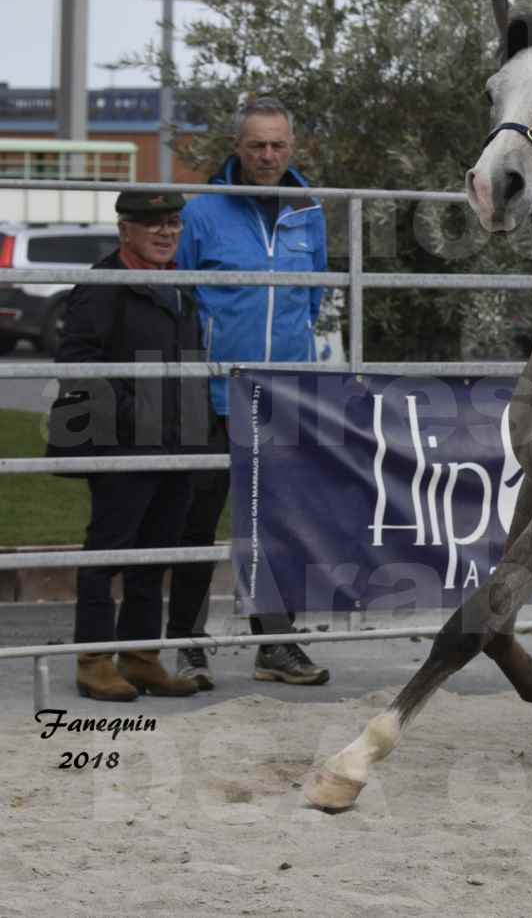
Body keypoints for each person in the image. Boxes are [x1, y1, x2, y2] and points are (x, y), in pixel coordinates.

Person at [171, 96, 331, 687]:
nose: (267, 156)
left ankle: (275, 644)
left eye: (278, 145)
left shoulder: (308, 209)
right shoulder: (204, 211)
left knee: (275, 524)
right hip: (215, 392)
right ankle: (186, 643)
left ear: (292, 147)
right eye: (257, 145)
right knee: (198, 521)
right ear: (237, 146)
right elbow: (181, 297)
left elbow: (312, 296)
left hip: (282, 392)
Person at [55, 191, 207, 701]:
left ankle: (142, 656)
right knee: (107, 552)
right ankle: (93, 660)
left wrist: (191, 422)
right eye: (152, 225)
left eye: (173, 223)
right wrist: (130, 420)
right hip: (124, 445)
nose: (166, 233)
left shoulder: (179, 284)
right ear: (125, 230)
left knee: (156, 554)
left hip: (178, 441)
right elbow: (79, 363)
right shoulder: (101, 287)